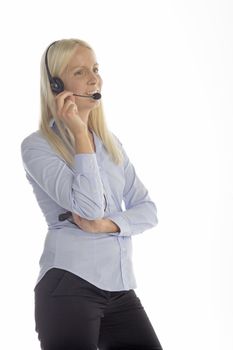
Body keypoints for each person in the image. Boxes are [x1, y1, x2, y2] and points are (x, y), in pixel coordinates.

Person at [20, 38, 163, 350]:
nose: (94, 79)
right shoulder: (37, 146)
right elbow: (88, 205)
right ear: (56, 84)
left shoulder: (110, 144)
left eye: (96, 69)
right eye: (81, 72)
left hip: (120, 289)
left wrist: (107, 226)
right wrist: (80, 133)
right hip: (69, 285)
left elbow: (148, 210)